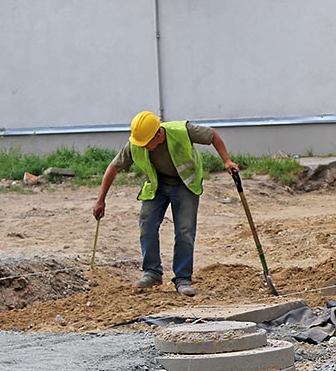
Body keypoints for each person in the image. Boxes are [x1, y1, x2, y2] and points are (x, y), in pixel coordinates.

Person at [92, 111, 239, 297]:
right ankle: (152, 272)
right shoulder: (136, 144)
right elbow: (113, 167)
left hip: (185, 184)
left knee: (184, 231)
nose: (143, 147)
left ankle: (183, 278)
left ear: (159, 135)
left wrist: (226, 160)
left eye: (146, 143)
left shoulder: (181, 131)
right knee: (146, 225)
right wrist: (101, 199)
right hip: (157, 186)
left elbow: (212, 135)